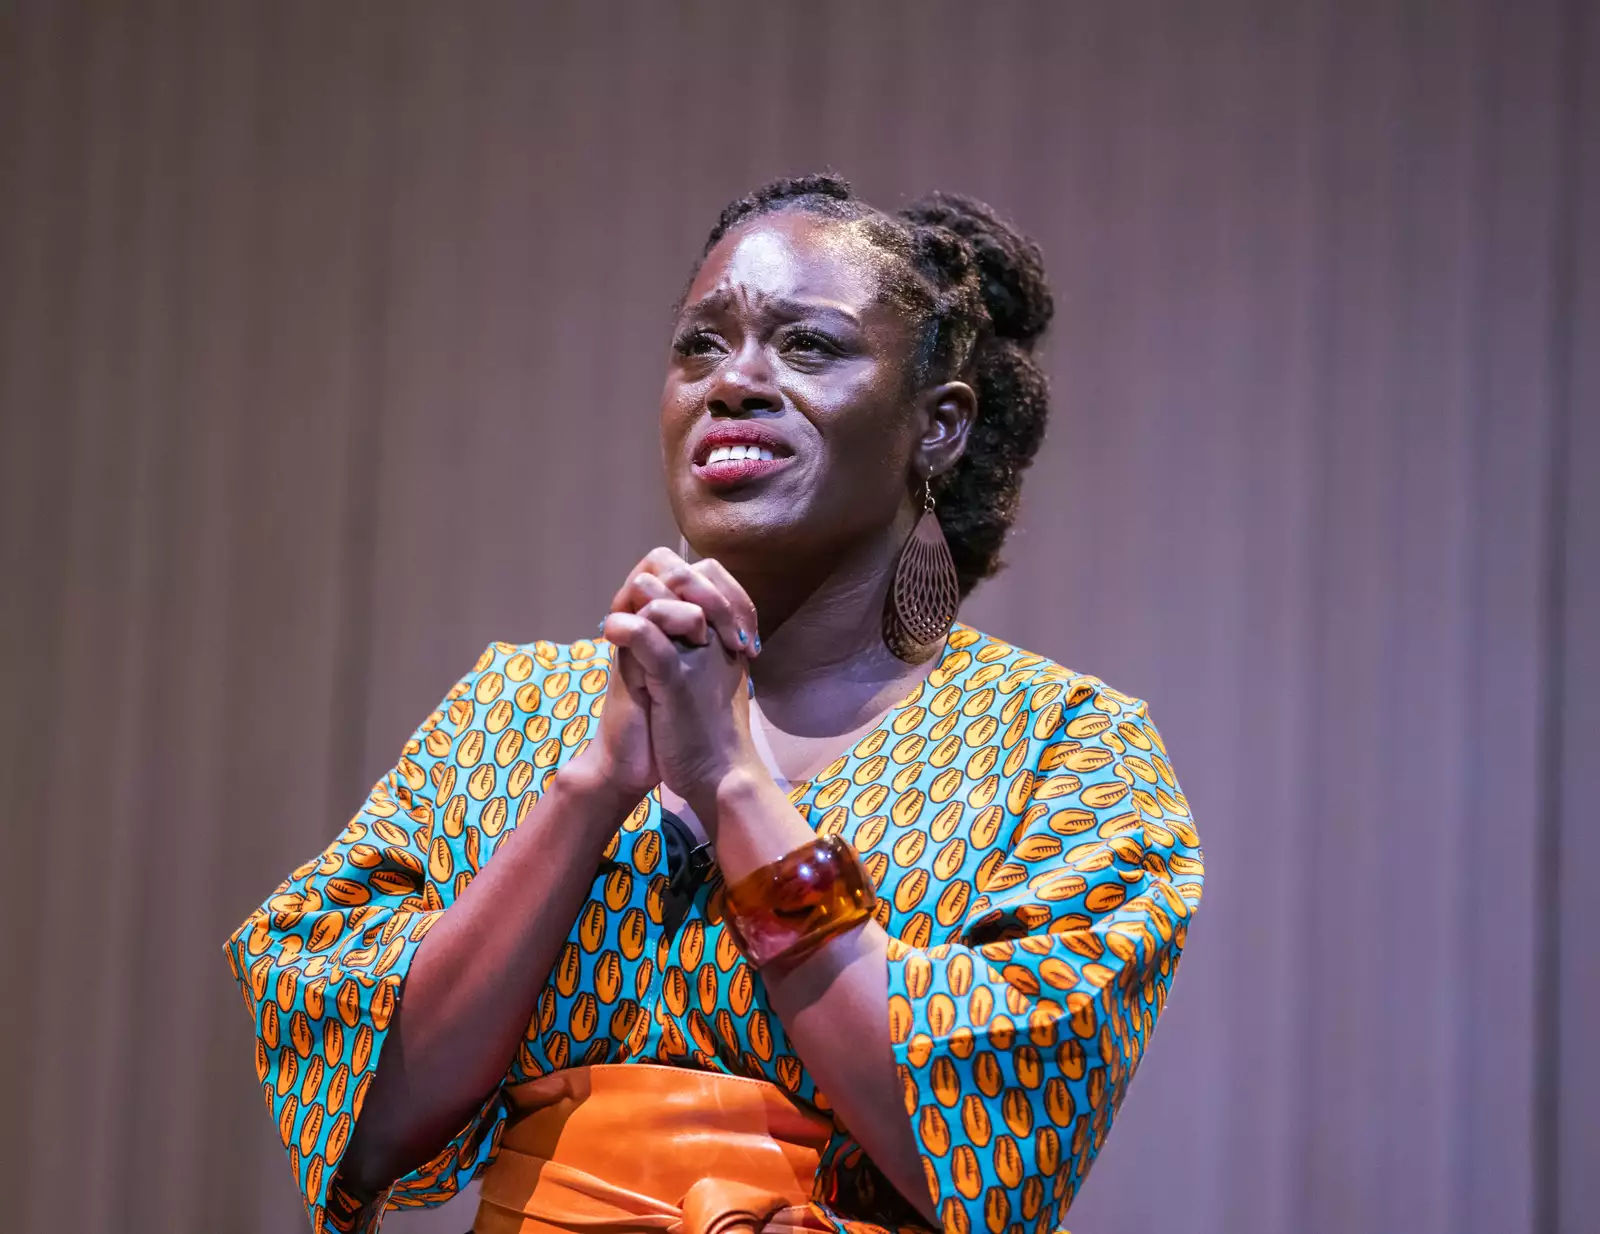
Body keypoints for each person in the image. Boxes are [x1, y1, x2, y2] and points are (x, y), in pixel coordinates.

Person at [225, 174, 1205, 1234]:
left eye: (809, 347)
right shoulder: (512, 709)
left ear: (938, 427)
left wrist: (731, 782)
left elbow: (962, 1145)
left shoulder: (1057, 751)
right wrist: (593, 783)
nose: (732, 382)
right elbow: (364, 1125)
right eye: (700, 344)